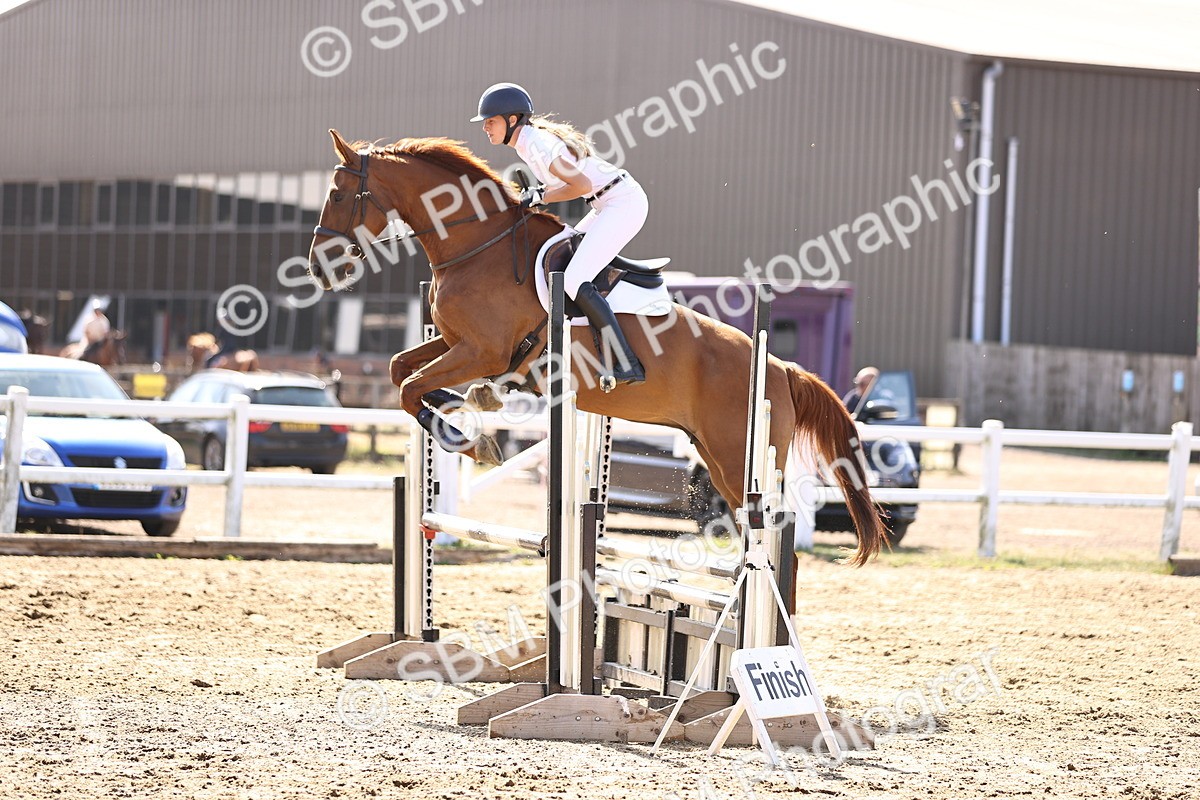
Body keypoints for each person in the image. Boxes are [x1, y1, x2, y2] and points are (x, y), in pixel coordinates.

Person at [472, 82, 647, 390]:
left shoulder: (537, 144)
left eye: (491, 120)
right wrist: (537, 196)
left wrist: (541, 196)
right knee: (560, 266)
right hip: (606, 202)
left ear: (512, 120)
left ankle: (627, 362)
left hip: (622, 203)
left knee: (575, 277)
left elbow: (578, 185)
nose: (485, 126)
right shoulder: (528, 143)